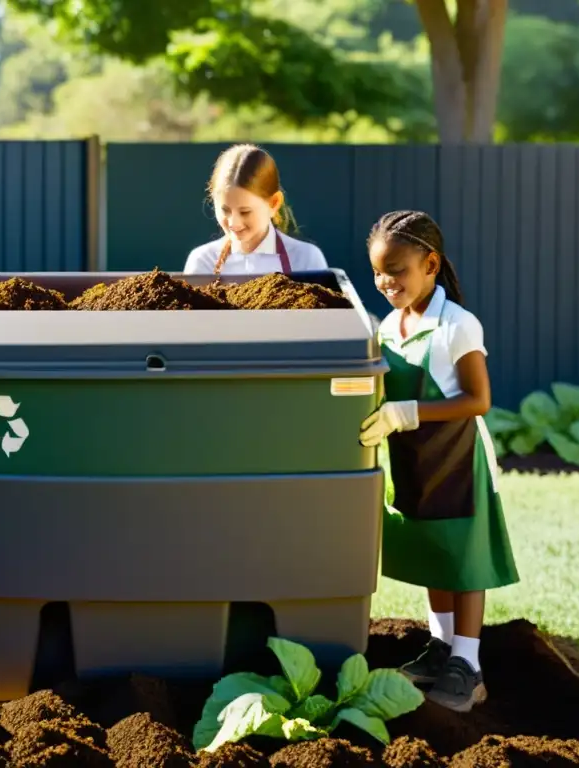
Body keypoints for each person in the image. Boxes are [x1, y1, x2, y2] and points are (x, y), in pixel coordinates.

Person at [358, 210, 519, 714]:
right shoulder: (390, 325)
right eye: (378, 273)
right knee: (434, 552)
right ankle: (442, 647)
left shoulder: (457, 326)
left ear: (431, 264)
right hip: (414, 462)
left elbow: (478, 400)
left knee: (463, 561)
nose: (386, 282)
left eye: (397, 271)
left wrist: (406, 412)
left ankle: (467, 665)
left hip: (457, 462)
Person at [183, 144, 328, 276]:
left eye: (245, 212)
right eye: (225, 210)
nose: (234, 223)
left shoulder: (306, 261)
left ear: (274, 203)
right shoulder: (203, 263)